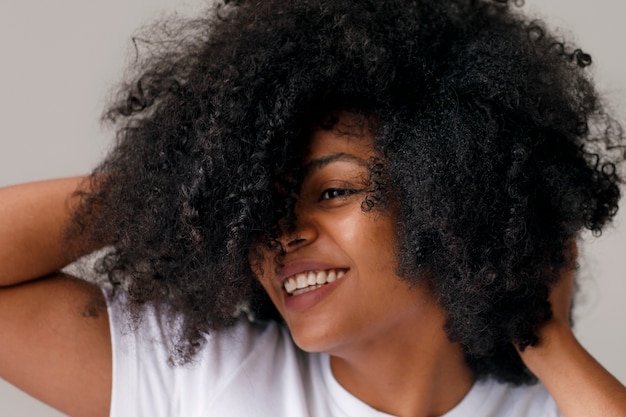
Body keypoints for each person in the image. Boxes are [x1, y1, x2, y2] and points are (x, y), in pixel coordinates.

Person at [1, 0, 626, 416]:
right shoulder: (195, 377)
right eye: (256, 207)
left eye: (333, 192)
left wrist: (545, 335)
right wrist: (169, 186)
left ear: (453, 200)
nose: (281, 236)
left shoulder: (555, 406)